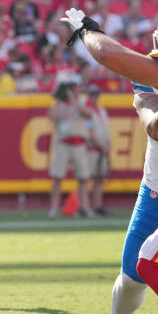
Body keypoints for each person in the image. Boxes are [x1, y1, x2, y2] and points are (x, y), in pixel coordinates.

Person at [61, 2, 158, 314]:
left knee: (150, 261)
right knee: (133, 273)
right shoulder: (155, 71)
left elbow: (110, 53)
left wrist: (86, 31)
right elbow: (156, 128)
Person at [47, 79, 93, 218]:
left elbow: (88, 113)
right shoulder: (59, 104)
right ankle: (54, 207)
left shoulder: (82, 101)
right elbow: (51, 117)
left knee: (83, 178)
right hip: (62, 143)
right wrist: (56, 97)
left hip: (78, 143)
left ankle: (84, 207)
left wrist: (74, 99)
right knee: (57, 176)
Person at [85, 85, 111, 216]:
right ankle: (86, 206)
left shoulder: (100, 110)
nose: (94, 97)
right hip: (93, 148)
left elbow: (105, 130)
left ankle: (97, 205)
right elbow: (89, 131)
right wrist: (100, 144)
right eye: (92, 94)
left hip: (103, 148)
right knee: (89, 177)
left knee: (99, 178)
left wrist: (107, 145)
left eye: (96, 94)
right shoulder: (88, 111)